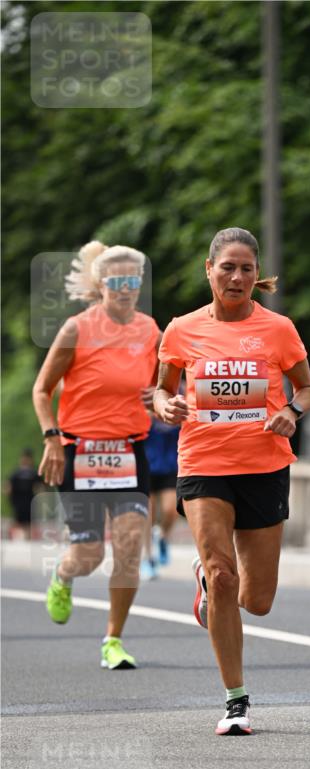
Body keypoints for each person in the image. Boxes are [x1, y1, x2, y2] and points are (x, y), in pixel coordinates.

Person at [154, 227, 310, 735]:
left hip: (264, 466)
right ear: (209, 270)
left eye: (246, 268)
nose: (237, 277)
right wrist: (166, 406)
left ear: (256, 274)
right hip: (203, 464)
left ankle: (208, 582)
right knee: (224, 575)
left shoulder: (278, 328)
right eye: (227, 267)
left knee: (258, 599)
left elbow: (307, 388)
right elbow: (159, 391)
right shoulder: (181, 329)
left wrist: (291, 411)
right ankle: (236, 701)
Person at [32, 241, 160, 668]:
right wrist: (52, 438)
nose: (125, 289)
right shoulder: (77, 329)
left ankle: (113, 640)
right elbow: (42, 390)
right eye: (116, 281)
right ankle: (63, 574)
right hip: (80, 452)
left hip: (128, 451)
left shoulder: (150, 331)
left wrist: (159, 397)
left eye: (132, 280)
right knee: (89, 556)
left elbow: (160, 385)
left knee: (129, 547)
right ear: (101, 284)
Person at [140, 415, 180, 580]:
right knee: (146, 513)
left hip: (170, 466)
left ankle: (163, 536)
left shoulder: (180, 402)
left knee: (171, 510)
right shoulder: (146, 406)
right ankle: (147, 559)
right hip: (146, 465)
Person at [6, 449, 42, 539]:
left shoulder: (34, 473)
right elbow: (8, 486)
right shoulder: (16, 473)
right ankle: (15, 537)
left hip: (29, 501)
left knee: (29, 521)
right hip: (18, 501)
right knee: (18, 520)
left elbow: (40, 487)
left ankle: (27, 538)